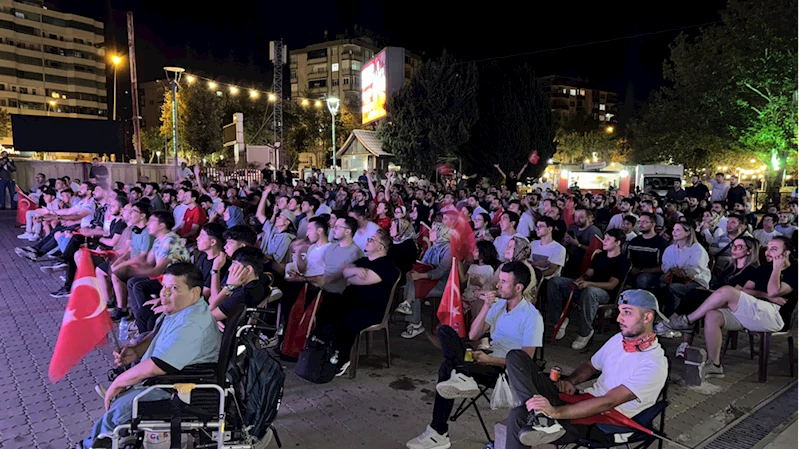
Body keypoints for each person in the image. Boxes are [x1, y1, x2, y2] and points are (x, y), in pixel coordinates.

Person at [79, 263, 221, 449]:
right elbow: (158, 333)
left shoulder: (192, 324)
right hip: (167, 379)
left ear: (194, 293)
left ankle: (91, 445)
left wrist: (118, 382)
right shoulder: (184, 309)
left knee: (116, 416)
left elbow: (158, 366)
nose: (165, 293)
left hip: (177, 388)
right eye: (164, 287)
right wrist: (137, 350)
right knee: (120, 401)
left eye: (174, 288)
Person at [504, 289, 668, 449]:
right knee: (516, 357)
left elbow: (607, 402)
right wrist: (570, 381)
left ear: (647, 317)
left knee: (519, 416)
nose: (619, 318)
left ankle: (544, 419)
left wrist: (555, 412)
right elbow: (591, 365)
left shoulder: (654, 364)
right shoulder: (620, 339)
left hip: (605, 421)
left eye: (627, 312)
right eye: (619, 312)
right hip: (584, 400)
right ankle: (540, 417)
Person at [406, 261, 543, 449]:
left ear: (518, 287)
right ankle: (461, 375)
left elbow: (525, 362)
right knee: (445, 331)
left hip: (504, 370)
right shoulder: (499, 305)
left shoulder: (532, 316)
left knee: (447, 367)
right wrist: (486, 306)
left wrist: (490, 360)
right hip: (484, 356)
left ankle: (439, 432)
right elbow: (473, 335)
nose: (498, 285)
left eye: (503, 282)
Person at [664, 236, 798, 377]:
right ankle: (714, 365)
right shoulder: (763, 269)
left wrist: (777, 269)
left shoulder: (794, 271)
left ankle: (687, 320)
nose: (768, 252)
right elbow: (746, 290)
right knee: (713, 315)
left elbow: (774, 290)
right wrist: (767, 296)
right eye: (768, 248)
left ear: (786, 253)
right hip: (754, 311)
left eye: (774, 249)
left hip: (776, 317)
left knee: (727, 290)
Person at [326, 229, 399, 376]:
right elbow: (345, 272)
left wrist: (352, 274)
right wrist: (356, 270)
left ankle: (344, 357)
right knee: (327, 309)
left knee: (347, 321)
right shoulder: (364, 261)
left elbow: (362, 280)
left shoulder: (386, 265)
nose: (368, 241)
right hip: (351, 302)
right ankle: (327, 351)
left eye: (372, 240)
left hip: (371, 309)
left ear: (380, 247)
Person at [547, 229, 631, 350]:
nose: (604, 241)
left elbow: (611, 285)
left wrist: (588, 283)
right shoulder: (601, 255)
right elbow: (588, 273)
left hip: (605, 293)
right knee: (555, 282)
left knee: (590, 291)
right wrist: (581, 280)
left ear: (617, 242)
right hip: (588, 287)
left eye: (608, 239)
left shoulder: (623, 261)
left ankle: (585, 332)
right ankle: (559, 320)